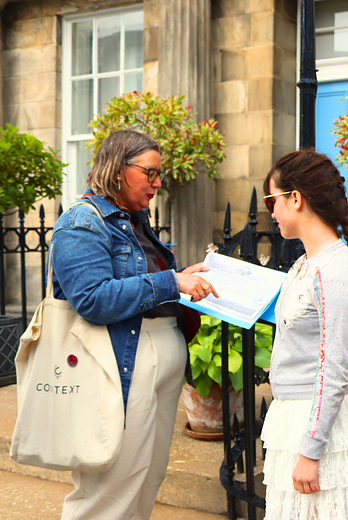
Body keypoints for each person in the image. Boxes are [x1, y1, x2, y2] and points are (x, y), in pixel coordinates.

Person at [51, 129, 217, 520]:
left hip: (156, 360)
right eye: (150, 173)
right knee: (108, 488)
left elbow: (141, 285)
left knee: (145, 478)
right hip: (119, 361)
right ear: (118, 168)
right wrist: (170, 281)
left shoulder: (134, 220)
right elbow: (93, 299)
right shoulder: (82, 222)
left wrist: (178, 277)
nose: (158, 184)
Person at [259, 150, 348, 520]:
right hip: (295, 417)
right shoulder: (305, 262)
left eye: (272, 200)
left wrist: (310, 451)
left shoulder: (334, 271)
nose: (271, 211)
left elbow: (335, 368)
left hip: (318, 427)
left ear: (296, 198)